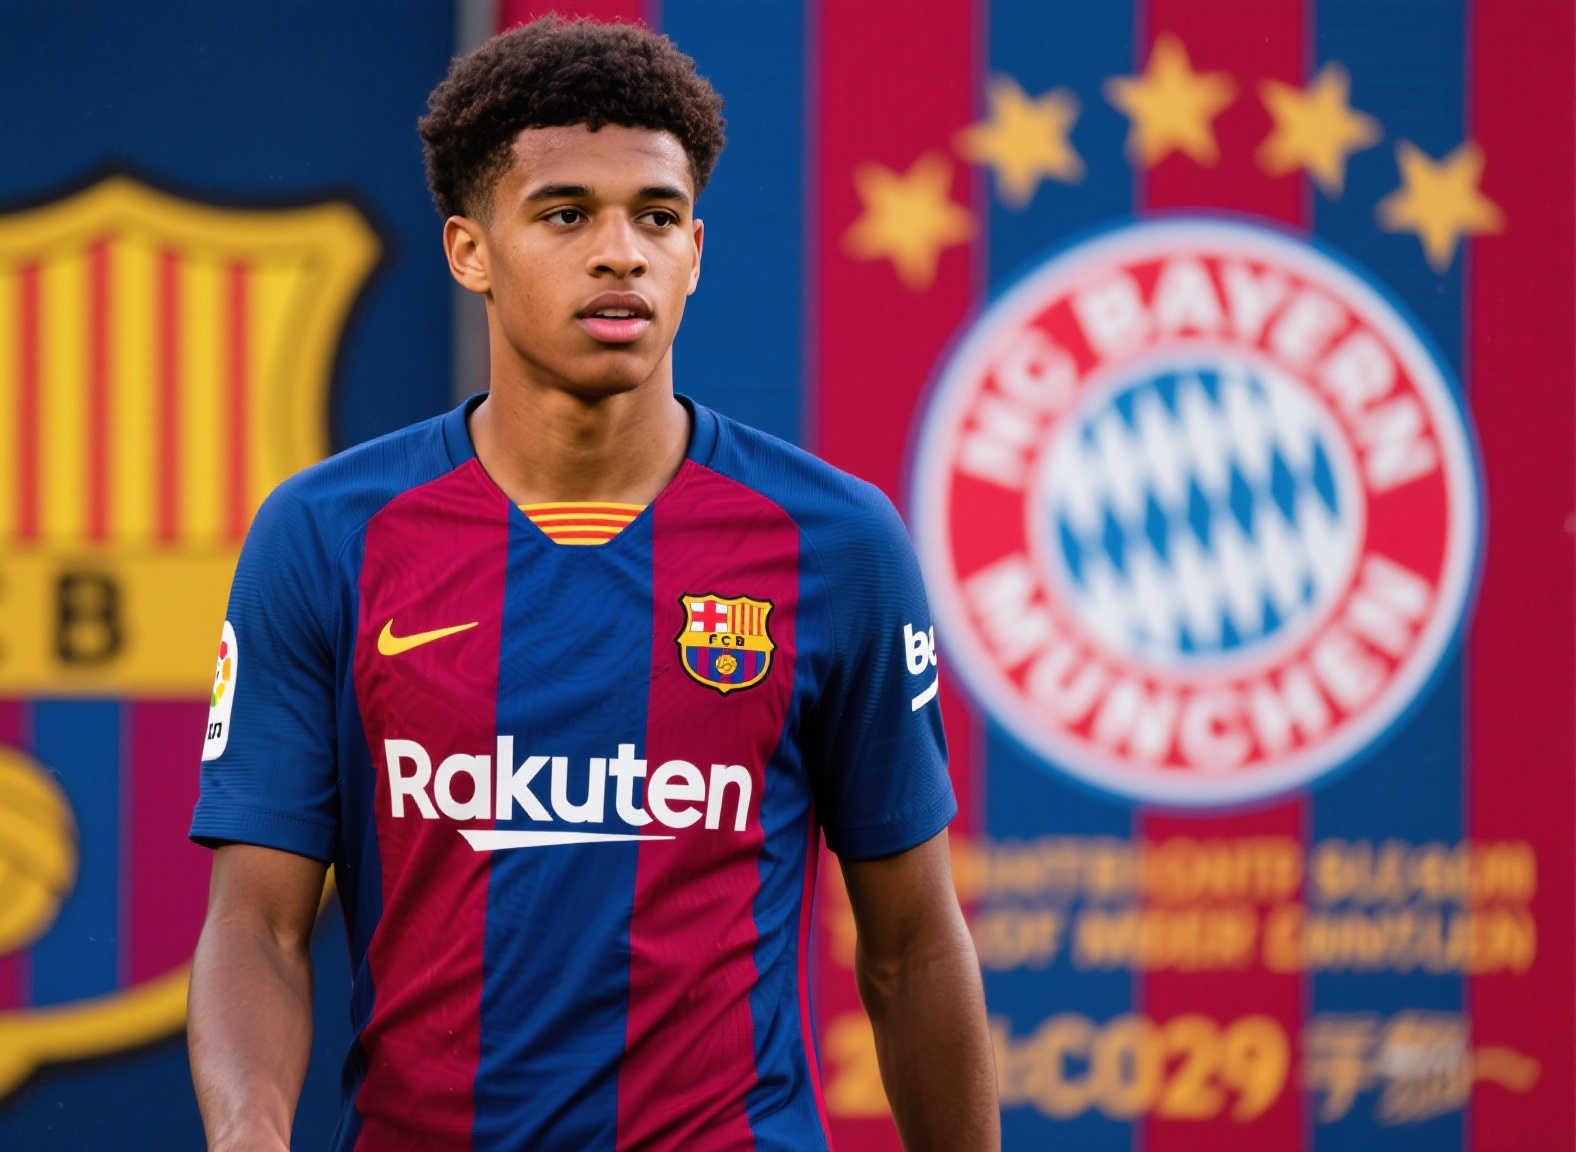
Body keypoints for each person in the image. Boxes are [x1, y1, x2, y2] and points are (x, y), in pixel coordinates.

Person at [186, 16, 998, 1152]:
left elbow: (911, 947)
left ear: (695, 252)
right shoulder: (326, 536)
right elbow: (258, 929)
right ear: (469, 250)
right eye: (565, 214)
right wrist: (247, 1134)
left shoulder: (835, 543)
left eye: (655, 217)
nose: (620, 253)